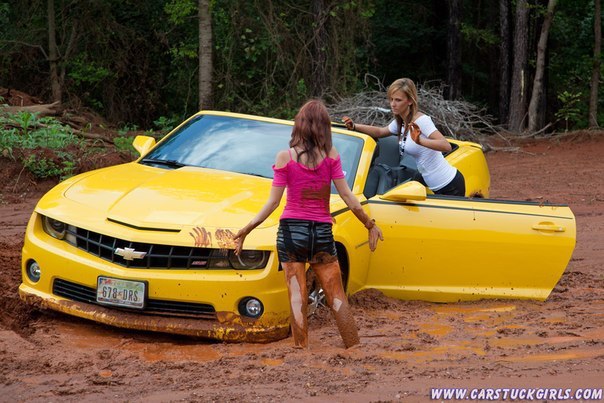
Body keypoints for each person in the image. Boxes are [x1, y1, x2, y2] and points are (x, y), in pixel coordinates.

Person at [233, 99, 384, 349]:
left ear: (299, 126)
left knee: (297, 294)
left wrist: (246, 230)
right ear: (324, 127)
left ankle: (301, 349)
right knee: (336, 294)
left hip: (291, 233)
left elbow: (272, 203)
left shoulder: (285, 157)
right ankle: (354, 347)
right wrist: (369, 224)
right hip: (322, 233)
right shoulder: (331, 157)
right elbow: (348, 196)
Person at [343, 78, 466, 196]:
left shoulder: (422, 120)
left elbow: (446, 146)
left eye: (398, 100)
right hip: (434, 185)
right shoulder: (401, 122)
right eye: (391, 99)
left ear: (410, 101)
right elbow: (380, 132)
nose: (393, 104)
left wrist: (420, 141)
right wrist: (354, 126)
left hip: (450, 185)